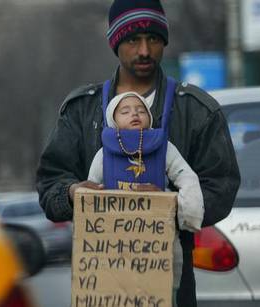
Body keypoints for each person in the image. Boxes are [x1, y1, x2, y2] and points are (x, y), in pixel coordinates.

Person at [36, 0, 240, 305]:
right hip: (101, 284)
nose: (145, 50)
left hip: (169, 284)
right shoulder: (82, 110)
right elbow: (50, 184)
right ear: (115, 43)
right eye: (133, 40)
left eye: (154, 39)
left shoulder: (196, 110)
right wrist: (72, 193)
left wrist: (167, 205)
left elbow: (221, 187)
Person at [88, 91, 204, 305]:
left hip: (160, 239)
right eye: (125, 111)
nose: (135, 113)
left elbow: (187, 177)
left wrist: (184, 208)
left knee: (163, 291)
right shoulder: (103, 155)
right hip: (116, 244)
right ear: (113, 120)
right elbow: (91, 191)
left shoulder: (165, 149)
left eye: (141, 110)